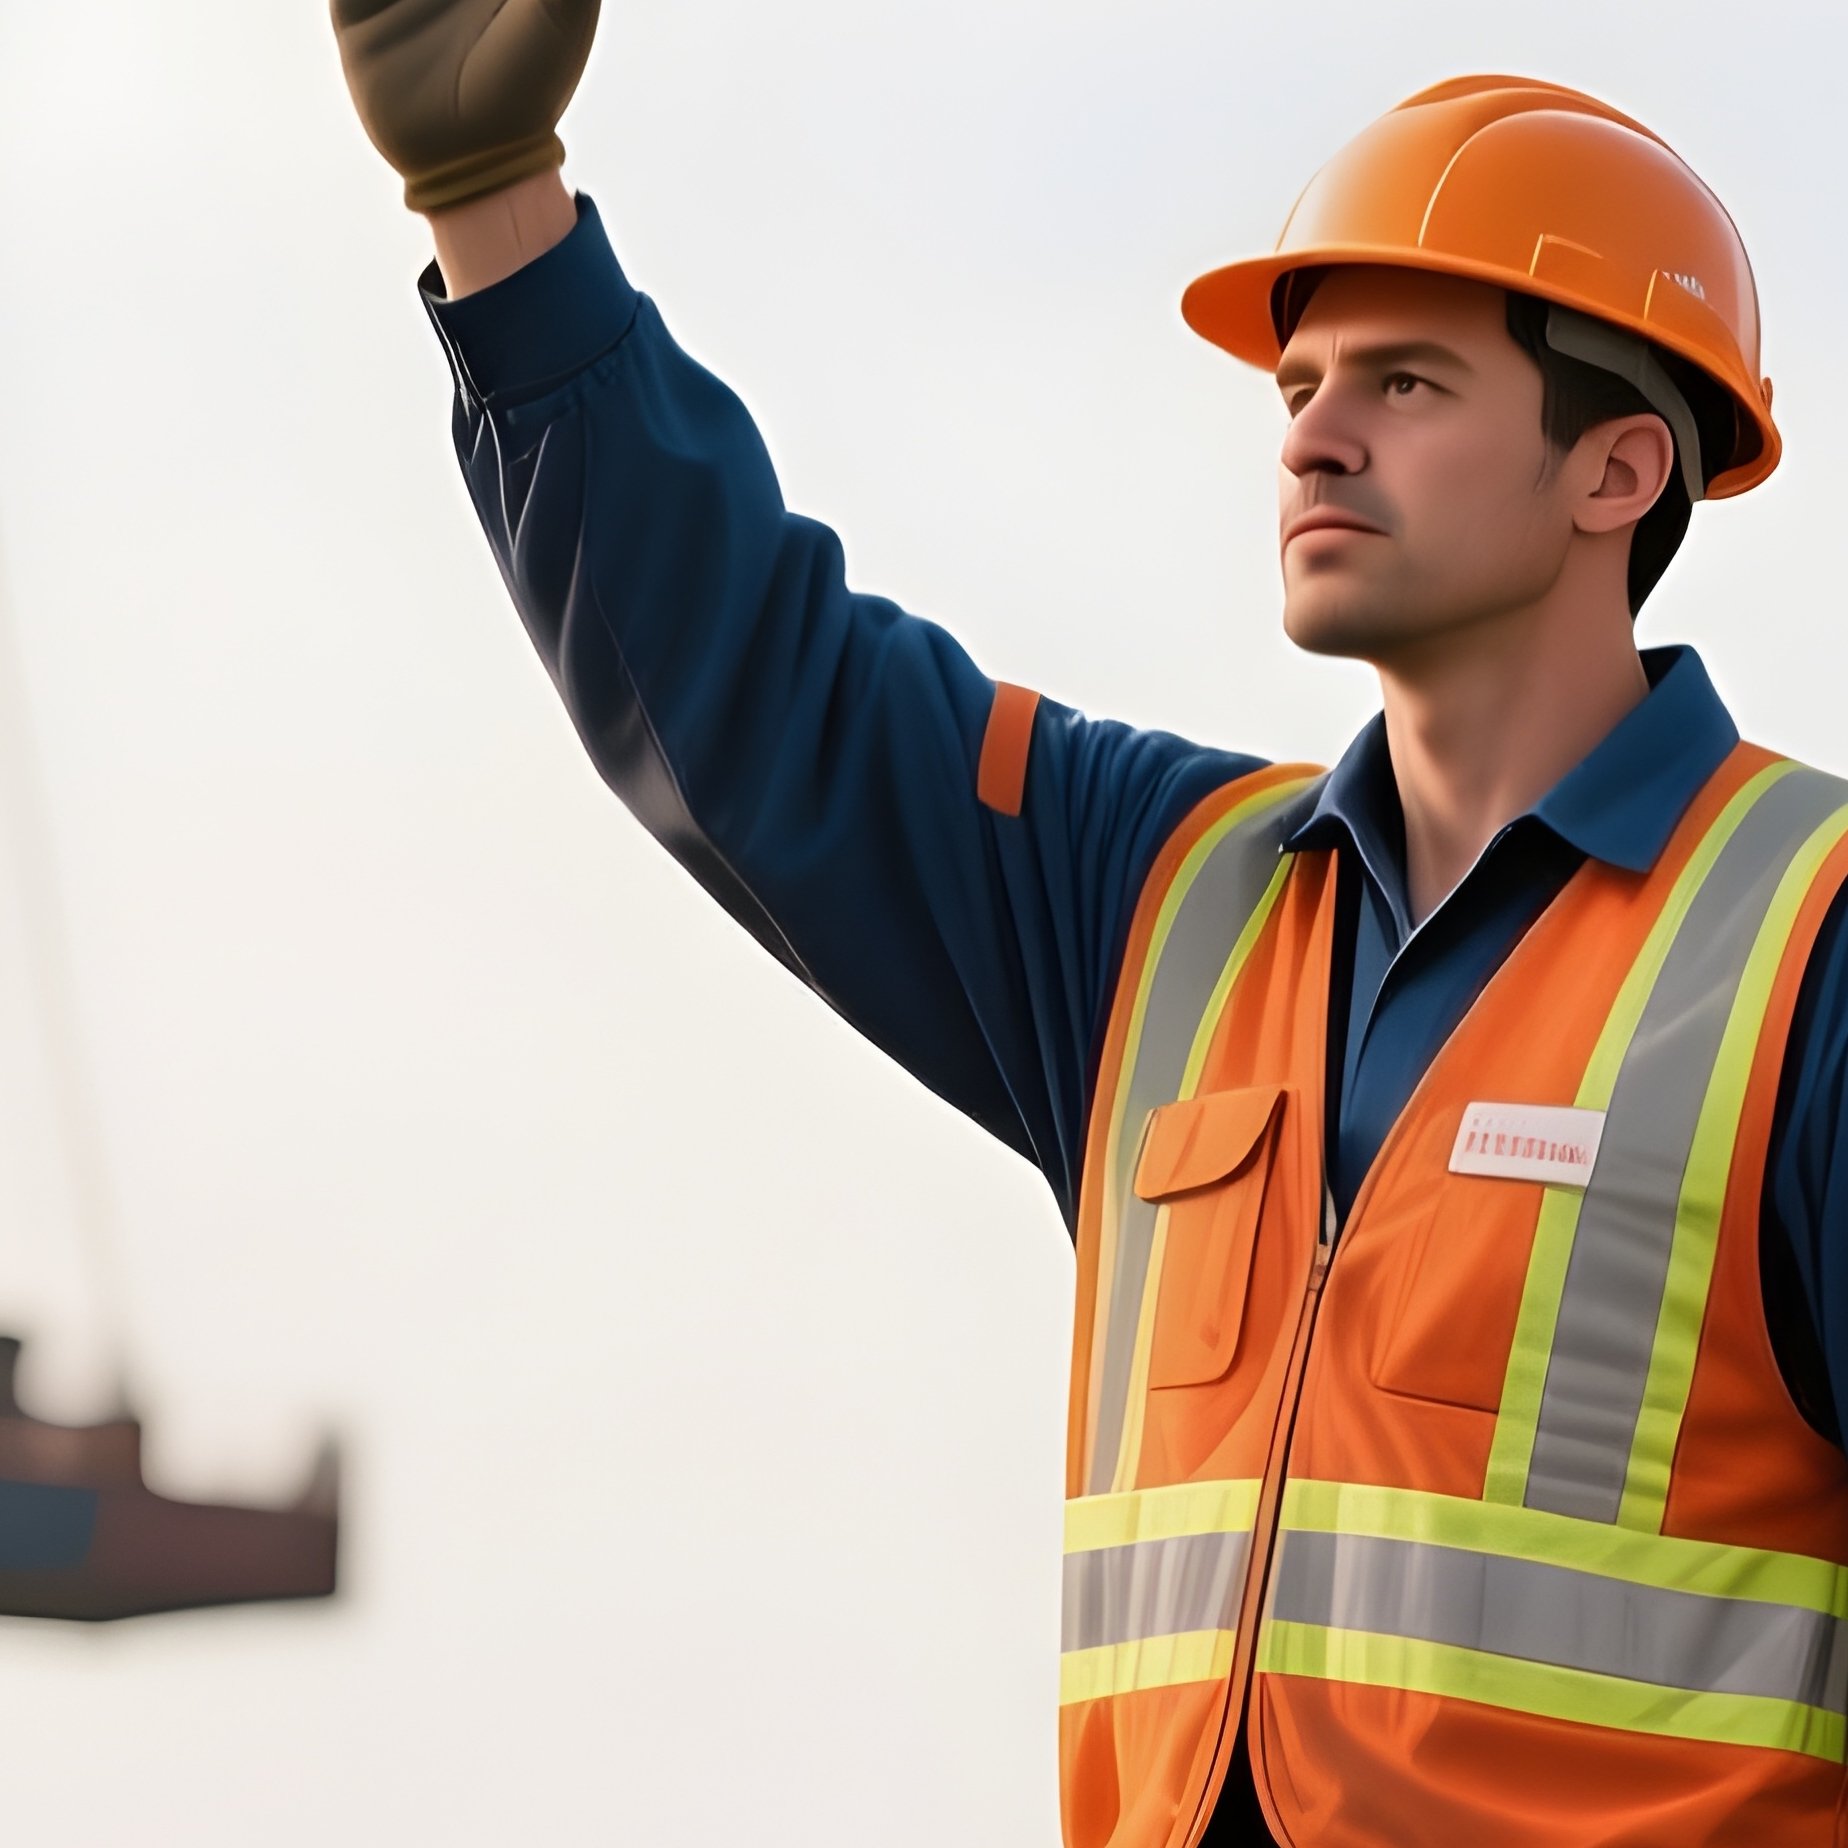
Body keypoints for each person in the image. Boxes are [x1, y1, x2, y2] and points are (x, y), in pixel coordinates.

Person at [330, 9, 1848, 1843]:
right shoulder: (1161, 901)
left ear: (1620, 470)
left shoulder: (1811, 946)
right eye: (1300, 389)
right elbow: (757, 688)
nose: (1315, 438)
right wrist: (493, 206)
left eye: (1407, 387)